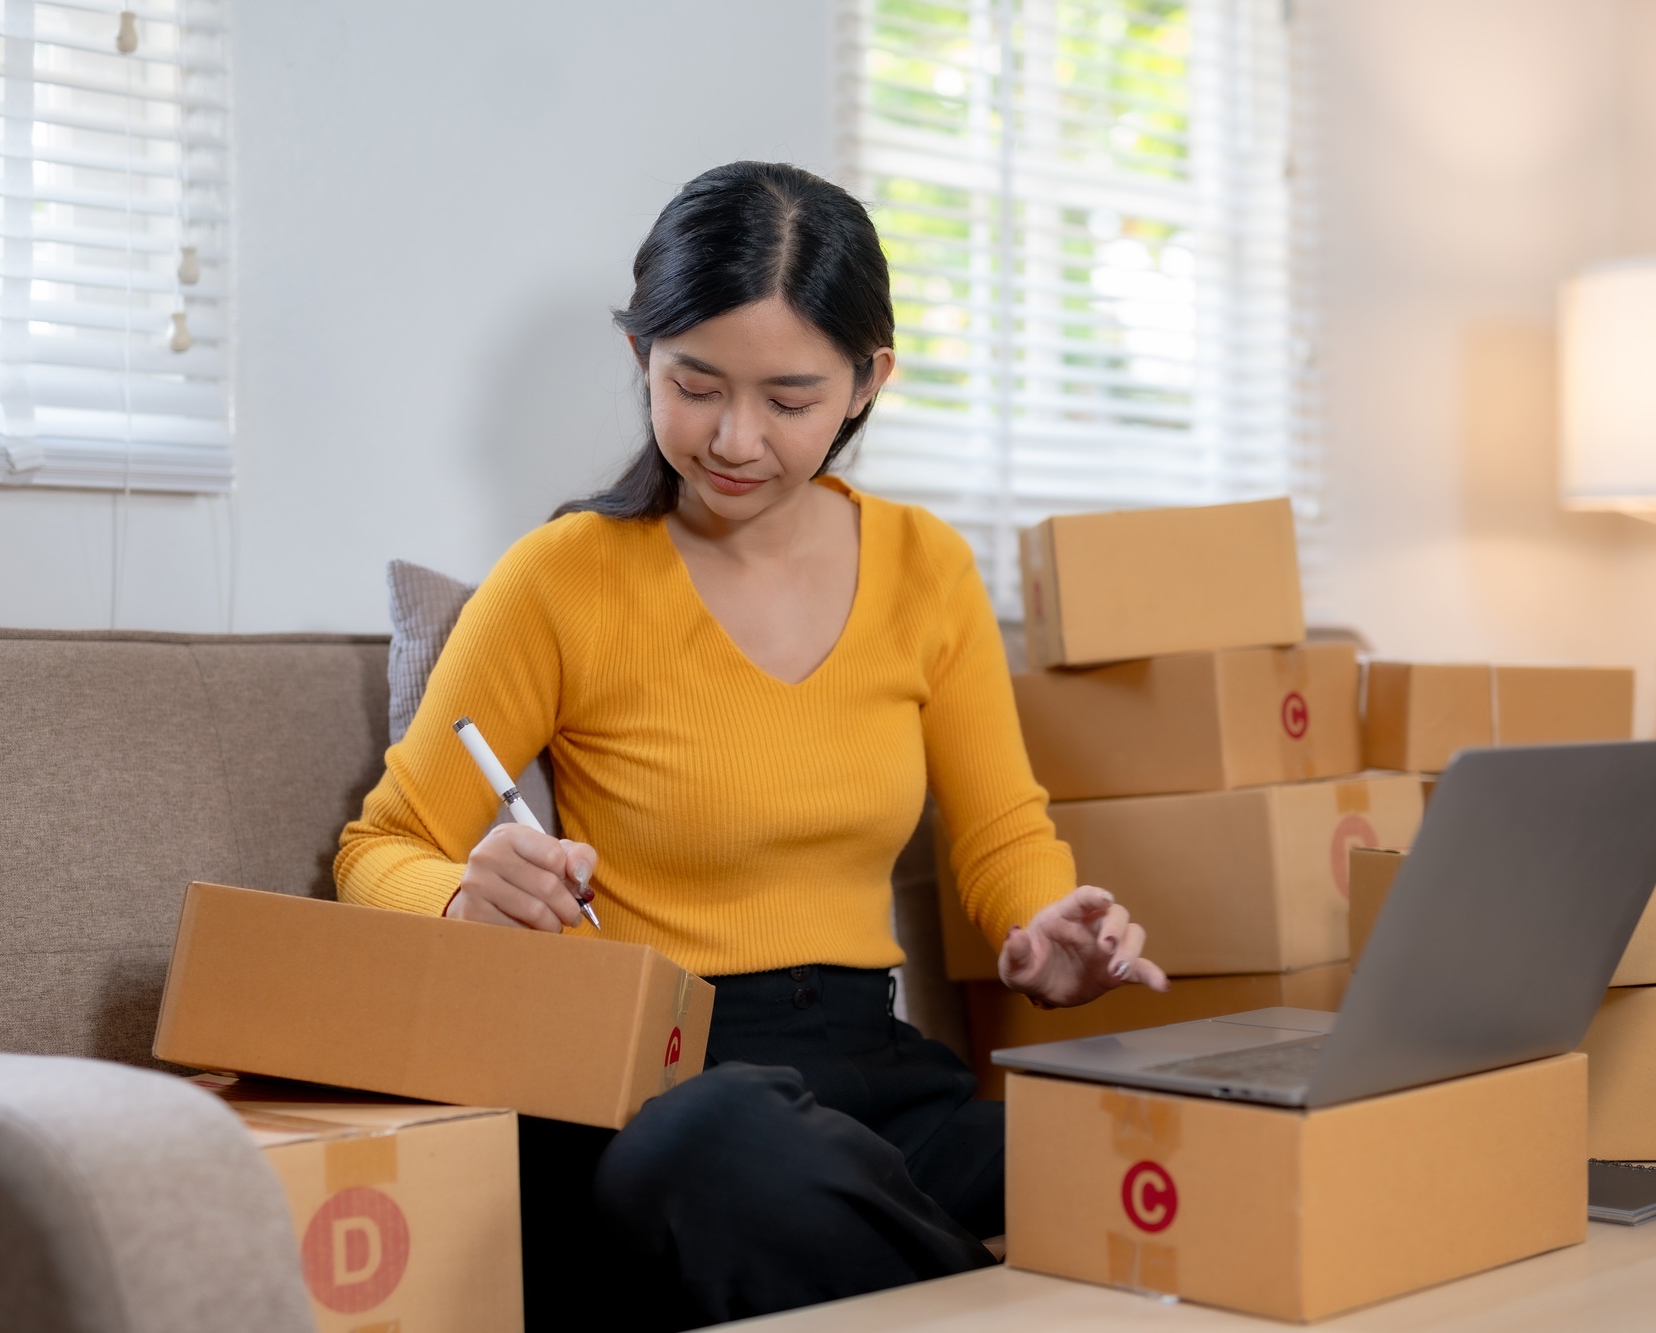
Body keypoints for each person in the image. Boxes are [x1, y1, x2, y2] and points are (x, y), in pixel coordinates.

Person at [334, 160, 1167, 1330]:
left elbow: (999, 832)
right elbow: (379, 845)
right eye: (695, 385)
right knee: (718, 1150)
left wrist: (1044, 929)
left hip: (878, 1079)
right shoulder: (559, 579)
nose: (734, 439)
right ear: (641, 355)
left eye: (788, 399)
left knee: (1149, 1156)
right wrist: (461, 900)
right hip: (661, 1081)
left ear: (866, 381)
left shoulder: (926, 567)